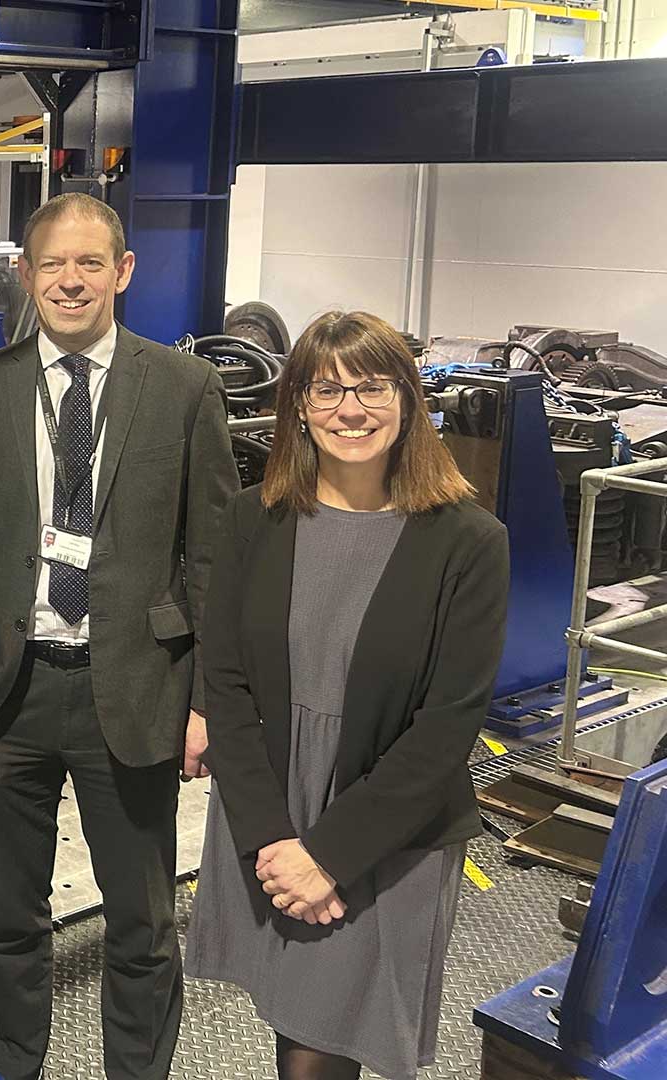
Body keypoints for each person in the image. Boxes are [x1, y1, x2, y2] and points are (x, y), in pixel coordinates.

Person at [0, 191, 239, 1079]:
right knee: (9, 921)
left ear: (123, 272)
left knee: (139, 923)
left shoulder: (183, 390)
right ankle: (13, 1067)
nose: (69, 280)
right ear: (25, 274)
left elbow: (211, 555)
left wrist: (207, 699)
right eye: (51, 263)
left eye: (89, 262)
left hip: (133, 691)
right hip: (4, 694)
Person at [188, 311, 509, 1080]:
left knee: (327, 1041)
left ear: (408, 399)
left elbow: (446, 726)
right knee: (291, 1018)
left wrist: (326, 858)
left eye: (372, 387)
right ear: (297, 403)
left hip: (386, 825)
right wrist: (274, 841)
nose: (351, 410)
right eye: (327, 390)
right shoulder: (253, 519)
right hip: (271, 805)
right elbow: (225, 686)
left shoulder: (469, 542)